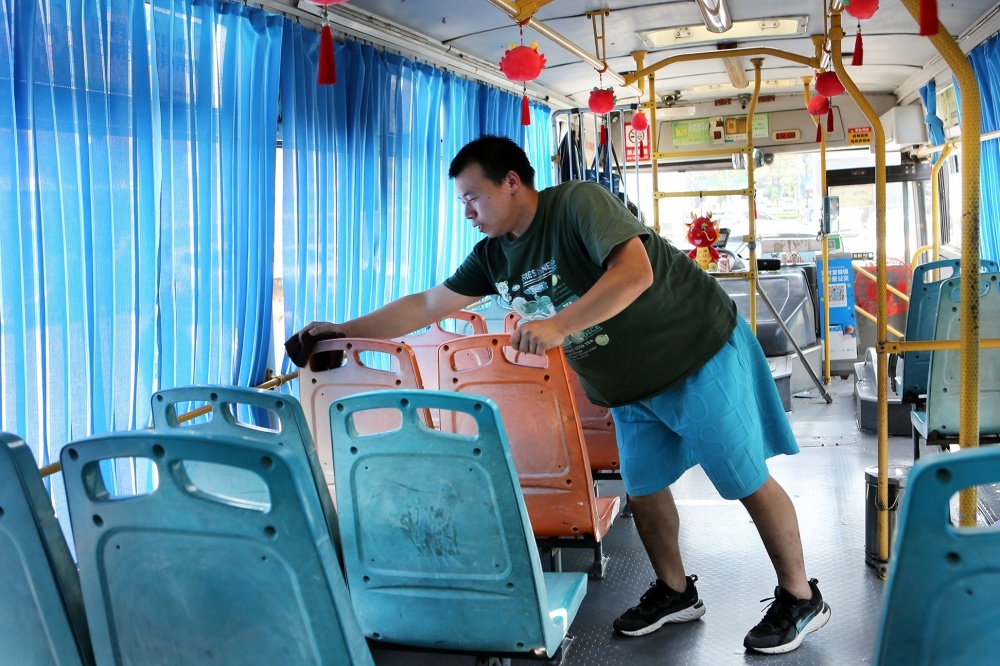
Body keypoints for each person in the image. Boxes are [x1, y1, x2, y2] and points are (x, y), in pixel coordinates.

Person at [285, 135, 831, 654]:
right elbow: (427, 305)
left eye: (473, 197)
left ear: (512, 182)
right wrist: (340, 330)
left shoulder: (576, 205)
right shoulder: (493, 257)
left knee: (743, 479)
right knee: (644, 490)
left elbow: (634, 272)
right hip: (627, 384)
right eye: (461, 202)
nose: (468, 211)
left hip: (692, 351)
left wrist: (558, 326)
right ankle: (675, 591)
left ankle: (801, 596)